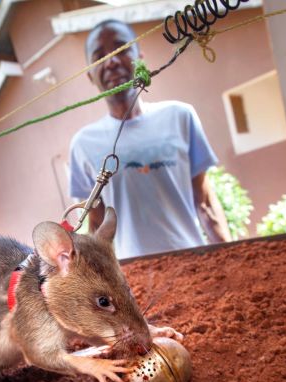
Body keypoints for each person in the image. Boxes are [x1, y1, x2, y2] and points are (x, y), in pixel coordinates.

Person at [69, 19, 232, 260]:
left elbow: (205, 203)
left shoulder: (180, 116)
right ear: (91, 76)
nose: (112, 61)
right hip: (130, 279)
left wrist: (232, 257)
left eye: (121, 48)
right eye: (99, 56)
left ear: (140, 58)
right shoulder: (83, 144)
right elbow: (97, 225)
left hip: (194, 262)